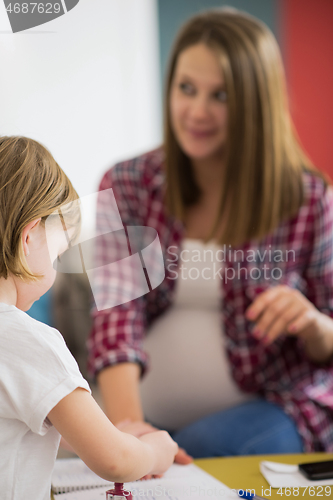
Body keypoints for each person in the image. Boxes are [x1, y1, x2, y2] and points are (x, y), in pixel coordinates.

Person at [88, 8, 333, 458]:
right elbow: (115, 313)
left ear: (256, 103)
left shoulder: (309, 197)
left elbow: (329, 336)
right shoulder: (122, 183)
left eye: (220, 94)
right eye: (186, 88)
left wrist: (313, 322)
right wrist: (129, 428)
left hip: (277, 404)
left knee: (199, 450)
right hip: (144, 411)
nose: (197, 111)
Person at [0, 136, 178, 500]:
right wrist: (157, 451)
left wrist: (104, 428)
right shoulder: (31, 341)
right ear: (30, 237)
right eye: (58, 256)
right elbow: (115, 460)